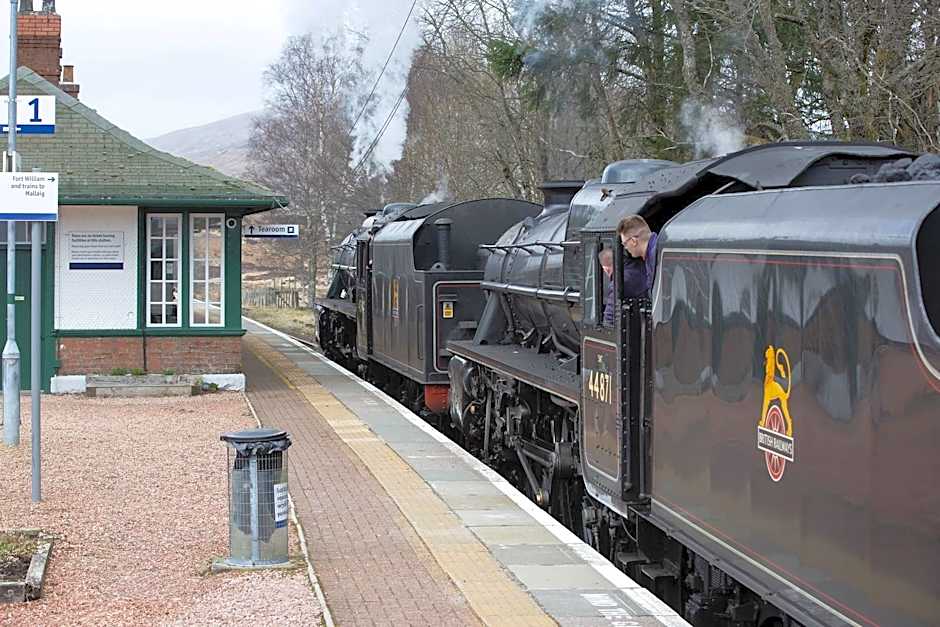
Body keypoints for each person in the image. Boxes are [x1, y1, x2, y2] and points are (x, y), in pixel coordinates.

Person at [617, 214, 658, 295]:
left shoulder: (656, 257)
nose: (625, 248)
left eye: (625, 243)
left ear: (633, 241)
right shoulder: (655, 251)